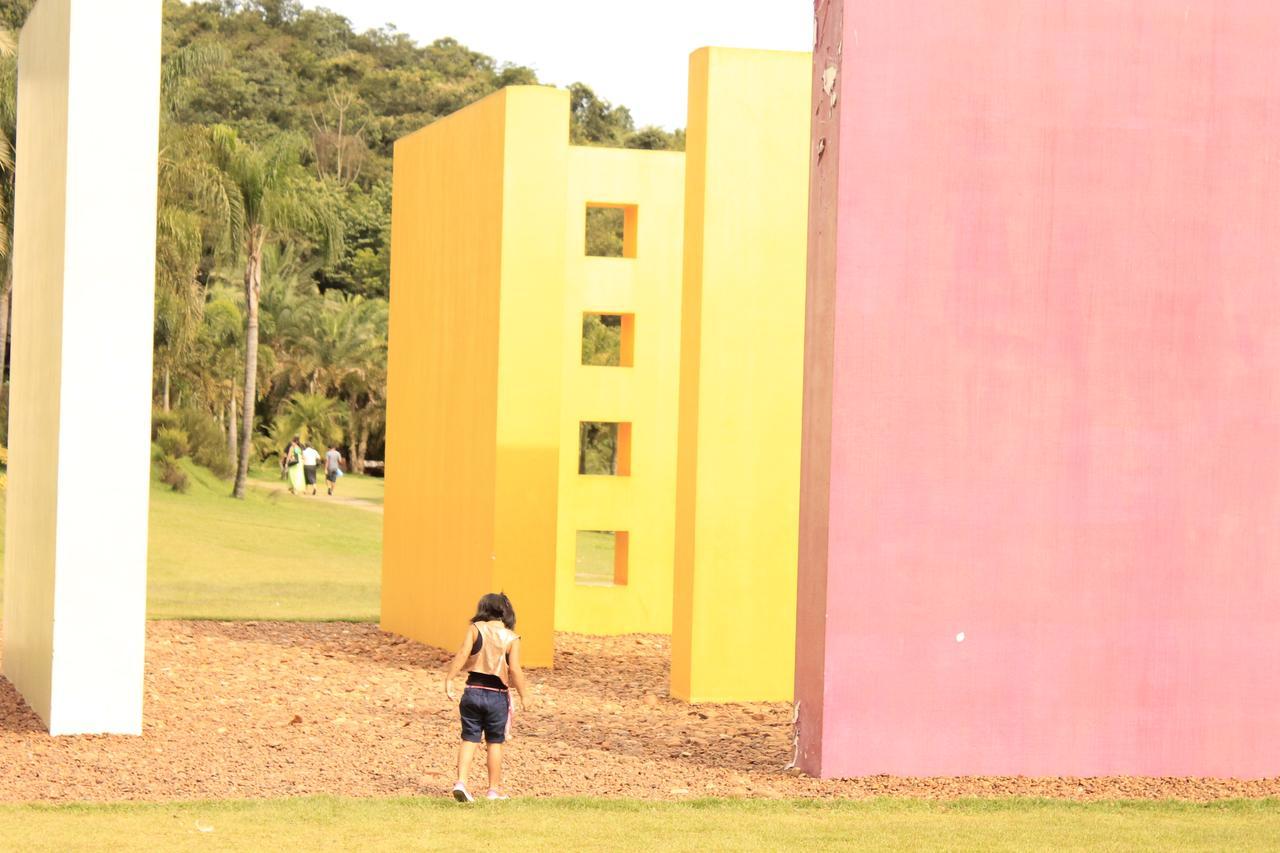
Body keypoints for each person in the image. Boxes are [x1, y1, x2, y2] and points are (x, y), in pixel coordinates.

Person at [444, 593, 531, 803]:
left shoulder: (475, 629)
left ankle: (461, 783)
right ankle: (493, 790)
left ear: (483, 609)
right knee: (494, 743)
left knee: (469, 738)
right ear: (506, 612)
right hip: (497, 697)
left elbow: (463, 653)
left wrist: (449, 678)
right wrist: (524, 695)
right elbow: (515, 670)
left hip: (472, 691)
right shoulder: (511, 637)